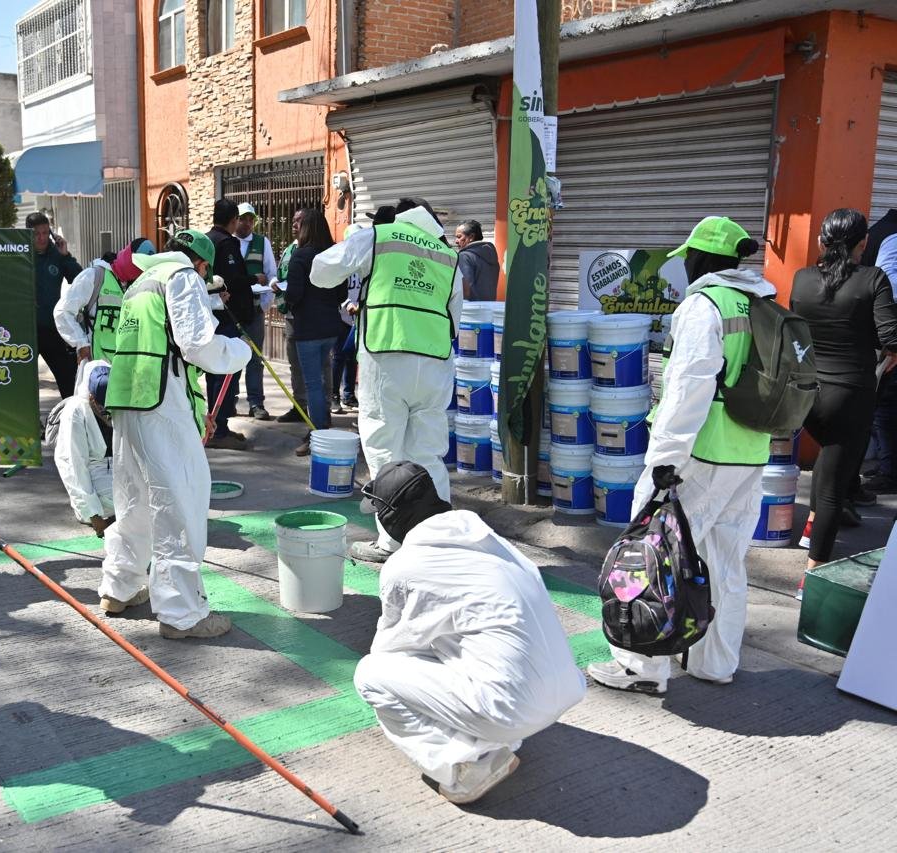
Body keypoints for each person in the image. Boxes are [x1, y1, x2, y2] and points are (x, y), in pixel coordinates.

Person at [587, 216, 769, 694]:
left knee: (650, 551)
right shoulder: (762, 302)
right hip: (750, 451)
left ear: (702, 259)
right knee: (725, 562)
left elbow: (690, 385)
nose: (684, 266)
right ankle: (716, 663)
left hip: (697, 454)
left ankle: (641, 668)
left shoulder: (704, 305)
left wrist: (665, 456)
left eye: (688, 258)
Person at [353, 461, 586, 804]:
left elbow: (391, 649)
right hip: (565, 689)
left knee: (372, 674)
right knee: (458, 644)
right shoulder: (491, 540)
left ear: (392, 515)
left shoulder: (406, 565)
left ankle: (465, 767)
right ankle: (494, 733)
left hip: (512, 709)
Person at [100, 229, 251, 638]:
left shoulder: (142, 282)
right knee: (179, 502)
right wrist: (239, 351)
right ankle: (182, 613)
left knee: (133, 500)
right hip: (160, 407)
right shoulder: (182, 277)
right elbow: (197, 346)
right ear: (201, 265)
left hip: (128, 400)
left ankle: (119, 587)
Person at [310, 198, 461, 563]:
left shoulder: (380, 237)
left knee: (385, 453)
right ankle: (439, 540)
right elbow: (454, 318)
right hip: (436, 364)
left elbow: (320, 271)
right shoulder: (448, 255)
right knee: (428, 454)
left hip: (387, 357)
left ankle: (392, 542)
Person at [791, 209, 897, 580]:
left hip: (806, 395)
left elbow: (795, 332)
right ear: (863, 243)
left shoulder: (802, 278)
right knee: (834, 488)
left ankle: (811, 529)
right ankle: (812, 576)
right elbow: (891, 336)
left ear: (821, 241)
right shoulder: (873, 278)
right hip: (849, 396)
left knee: (828, 459)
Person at [285, 209, 343, 454]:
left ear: (307, 228)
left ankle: (317, 434)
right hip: (330, 326)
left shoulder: (300, 255)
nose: (295, 226)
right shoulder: (333, 253)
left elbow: (293, 294)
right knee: (322, 376)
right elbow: (341, 293)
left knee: (313, 384)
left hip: (308, 328)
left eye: (299, 223)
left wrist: (287, 298)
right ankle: (323, 420)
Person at [204, 199, 257, 450]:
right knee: (226, 373)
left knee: (216, 373)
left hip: (211, 317)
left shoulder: (205, 242)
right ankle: (219, 430)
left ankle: (216, 425)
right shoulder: (226, 244)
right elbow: (233, 280)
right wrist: (253, 279)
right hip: (226, 318)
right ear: (233, 220)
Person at [54, 237, 155, 365]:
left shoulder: (138, 285)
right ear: (130, 258)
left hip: (124, 368)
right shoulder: (94, 276)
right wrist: (81, 343)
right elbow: (63, 311)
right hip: (95, 367)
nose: (140, 272)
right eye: (139, 266)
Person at [54, 360, 115, 533]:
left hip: (119, 470)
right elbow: (73, 467)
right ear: (91, 397)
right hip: (94, 476)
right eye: (100, 405)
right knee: (128, 504)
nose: (105, 411)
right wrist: (93, 515)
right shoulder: (75, 411)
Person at [28, 211, 83, 398]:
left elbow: (79, 280)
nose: (41, 238)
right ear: (28, 234)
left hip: (52, 327)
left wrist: (66, 255)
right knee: (22, 381)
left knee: (68, 378)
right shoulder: (21, 255)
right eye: (36, 234)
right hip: (27, 331)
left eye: (45, 233)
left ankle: (73, 413)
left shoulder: (56, 254)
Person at [861, 207, 897, 494]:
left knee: (884, 405)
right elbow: (889, 289)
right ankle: (889, 468)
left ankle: (889, 469)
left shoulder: (880, 230)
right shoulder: (892, 235)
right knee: (886, 405)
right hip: (887, 337)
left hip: (879, 336)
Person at [235, 202, 278, 420]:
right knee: (231, 356)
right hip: (232, 311)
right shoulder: (228, 243)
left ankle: (256, 403)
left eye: (251, 219)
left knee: (254, 359)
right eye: (243, 219)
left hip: (254, 310)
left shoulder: (262, 243)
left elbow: (271, 274)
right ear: (235, 220)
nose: (247, 223)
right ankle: (229, 401)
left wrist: (264, 304)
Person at [272, 209, 309, 423]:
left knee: (315, 366)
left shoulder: (315, 250)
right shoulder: (289, 249)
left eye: (299, 221)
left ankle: (320, 409)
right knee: (295, 364)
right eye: (293, 221)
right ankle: (300, 406)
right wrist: (276, 284)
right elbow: (281, 274)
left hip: (309, 317)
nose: (294, 225)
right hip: (291, 315)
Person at [332, 224, 366, 414]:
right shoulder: (341, 262)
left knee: (352, 357)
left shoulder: (366, 261)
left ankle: (349, 394)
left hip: (358, 317)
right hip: (342, 316)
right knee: (338, 356)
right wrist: (347, 304)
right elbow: (336, 290)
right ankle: (333, 396)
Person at [454, 220, 500, 301]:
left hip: (470, 307)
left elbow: (465, 290)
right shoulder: (491, 255)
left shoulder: (464, 256)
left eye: (459, 237)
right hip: (489, 306)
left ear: (471, 237)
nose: (456, 241)